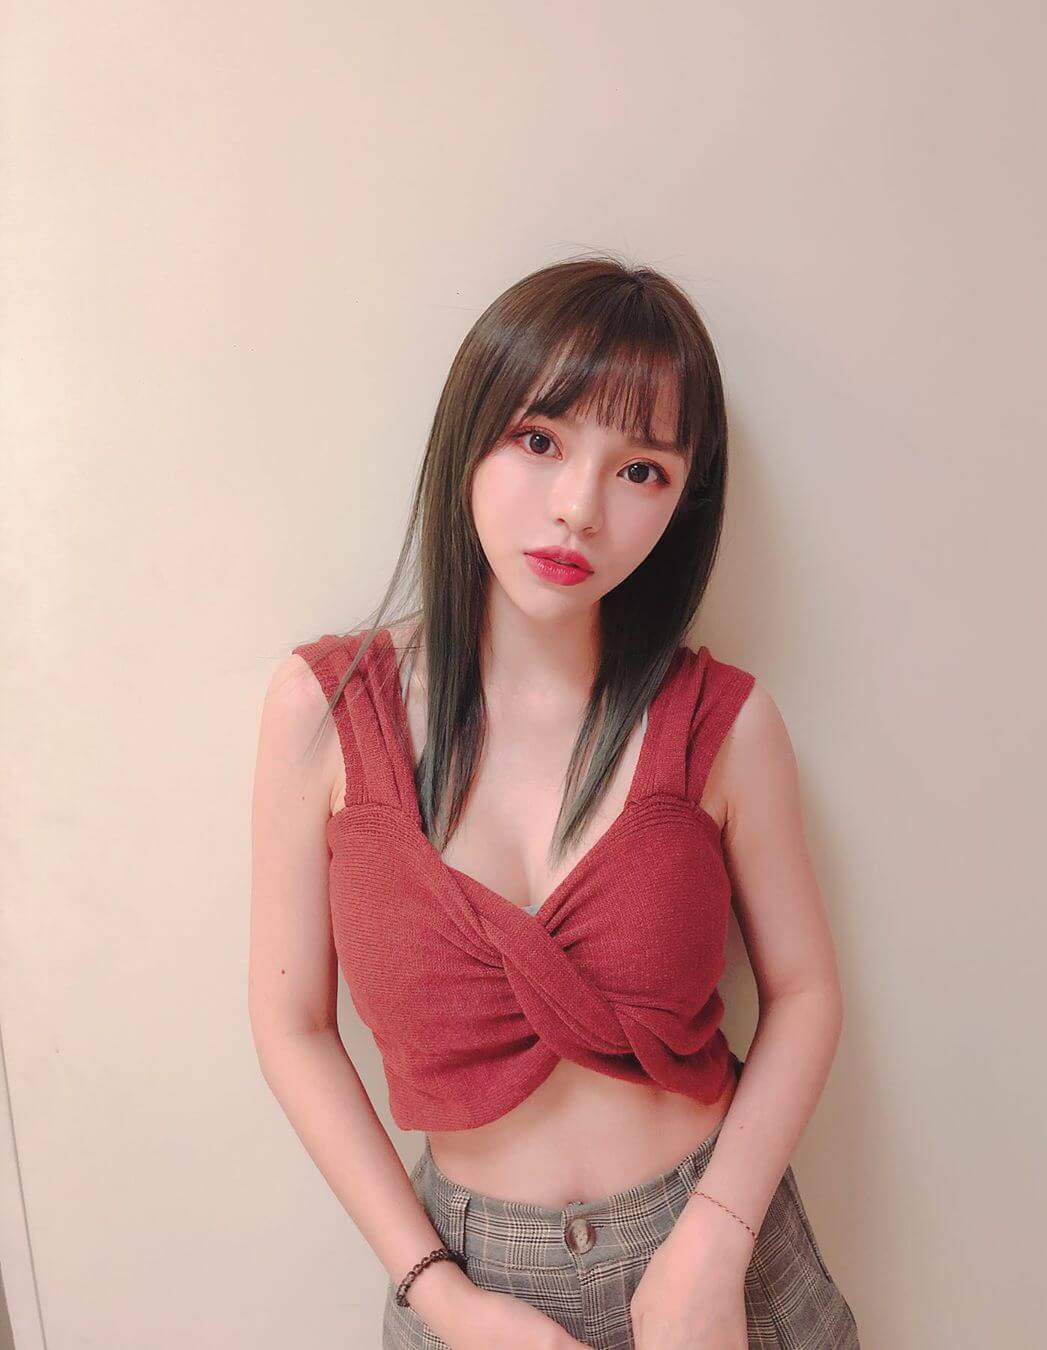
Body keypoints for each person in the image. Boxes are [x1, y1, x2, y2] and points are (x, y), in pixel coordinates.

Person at [248, 254, 860, 1350]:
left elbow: (806, 990)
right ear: (470, 434)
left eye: (642, 470)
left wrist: (714, 1247)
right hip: (469, 1281)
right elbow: (291, 1025)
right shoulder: (325, 711)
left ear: (682, 501)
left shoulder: (725, 723)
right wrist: (444, 1299)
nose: (579, 508)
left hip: (716, 1258)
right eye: (540, 440)